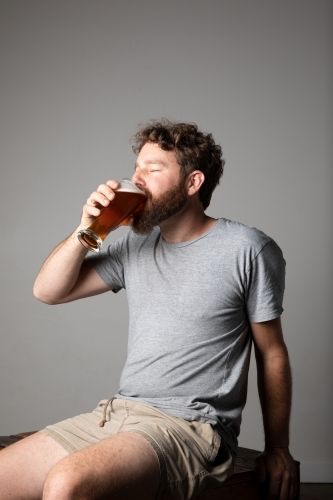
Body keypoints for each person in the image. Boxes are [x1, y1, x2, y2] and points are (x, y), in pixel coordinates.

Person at [0, 119, 297, 500]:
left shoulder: (248, 248)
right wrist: (85, 230)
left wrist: (278, 449)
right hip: (117, 413)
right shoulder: (133, 248)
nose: (136, 180)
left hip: (191, 427)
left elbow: (272, 352)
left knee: (67, 484)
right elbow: (48, 291)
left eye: (153, 170)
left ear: (193, 183)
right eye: (136, 168)